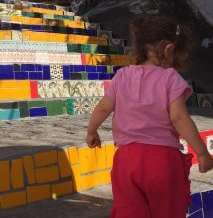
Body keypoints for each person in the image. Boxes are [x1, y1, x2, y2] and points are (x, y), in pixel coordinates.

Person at [86, 15, 213, 218]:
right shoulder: (170, 77)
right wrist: (202, 152)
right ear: (169, 49)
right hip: (162, 161)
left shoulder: (122, 75)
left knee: (129, 212)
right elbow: (179, 118)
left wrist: (92, 131)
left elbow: (103, 108)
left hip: (126, 160)